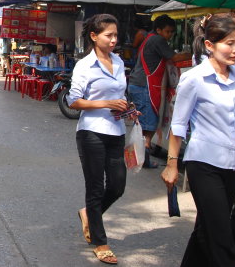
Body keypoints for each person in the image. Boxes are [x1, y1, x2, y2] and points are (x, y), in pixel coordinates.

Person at [161, 13, 235, 267]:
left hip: (232, 164)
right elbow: (179, 124)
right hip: (203, 164)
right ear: (209, 45)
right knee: (222, 238)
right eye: (229, 44)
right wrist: (172, 163)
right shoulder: (194, 78)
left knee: (206, 230)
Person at [68, 14, 138, 265]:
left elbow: (119, 95)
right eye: (108, 35)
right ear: (94, 36)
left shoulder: (118, 62)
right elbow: (73, 101)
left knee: (117, 186)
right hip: (91, 132)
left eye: (116, 35)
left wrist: (127, 108)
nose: (113, 40)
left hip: (116, 131)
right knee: (95, 188)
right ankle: (100, 241)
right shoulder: (85, 65)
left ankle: (88, 214)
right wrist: (106, 103)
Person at [128, 14, 190, 169]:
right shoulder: (157, 40)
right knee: (148, 126)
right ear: (158, 30)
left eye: (171, 33)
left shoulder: (149, 38)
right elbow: (174, 58)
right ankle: (143, 160)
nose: (169, 36)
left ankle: (140, 158)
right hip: (144, 86)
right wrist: (190, 54)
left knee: (143, 125)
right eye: (167, 32)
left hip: (139, 84)